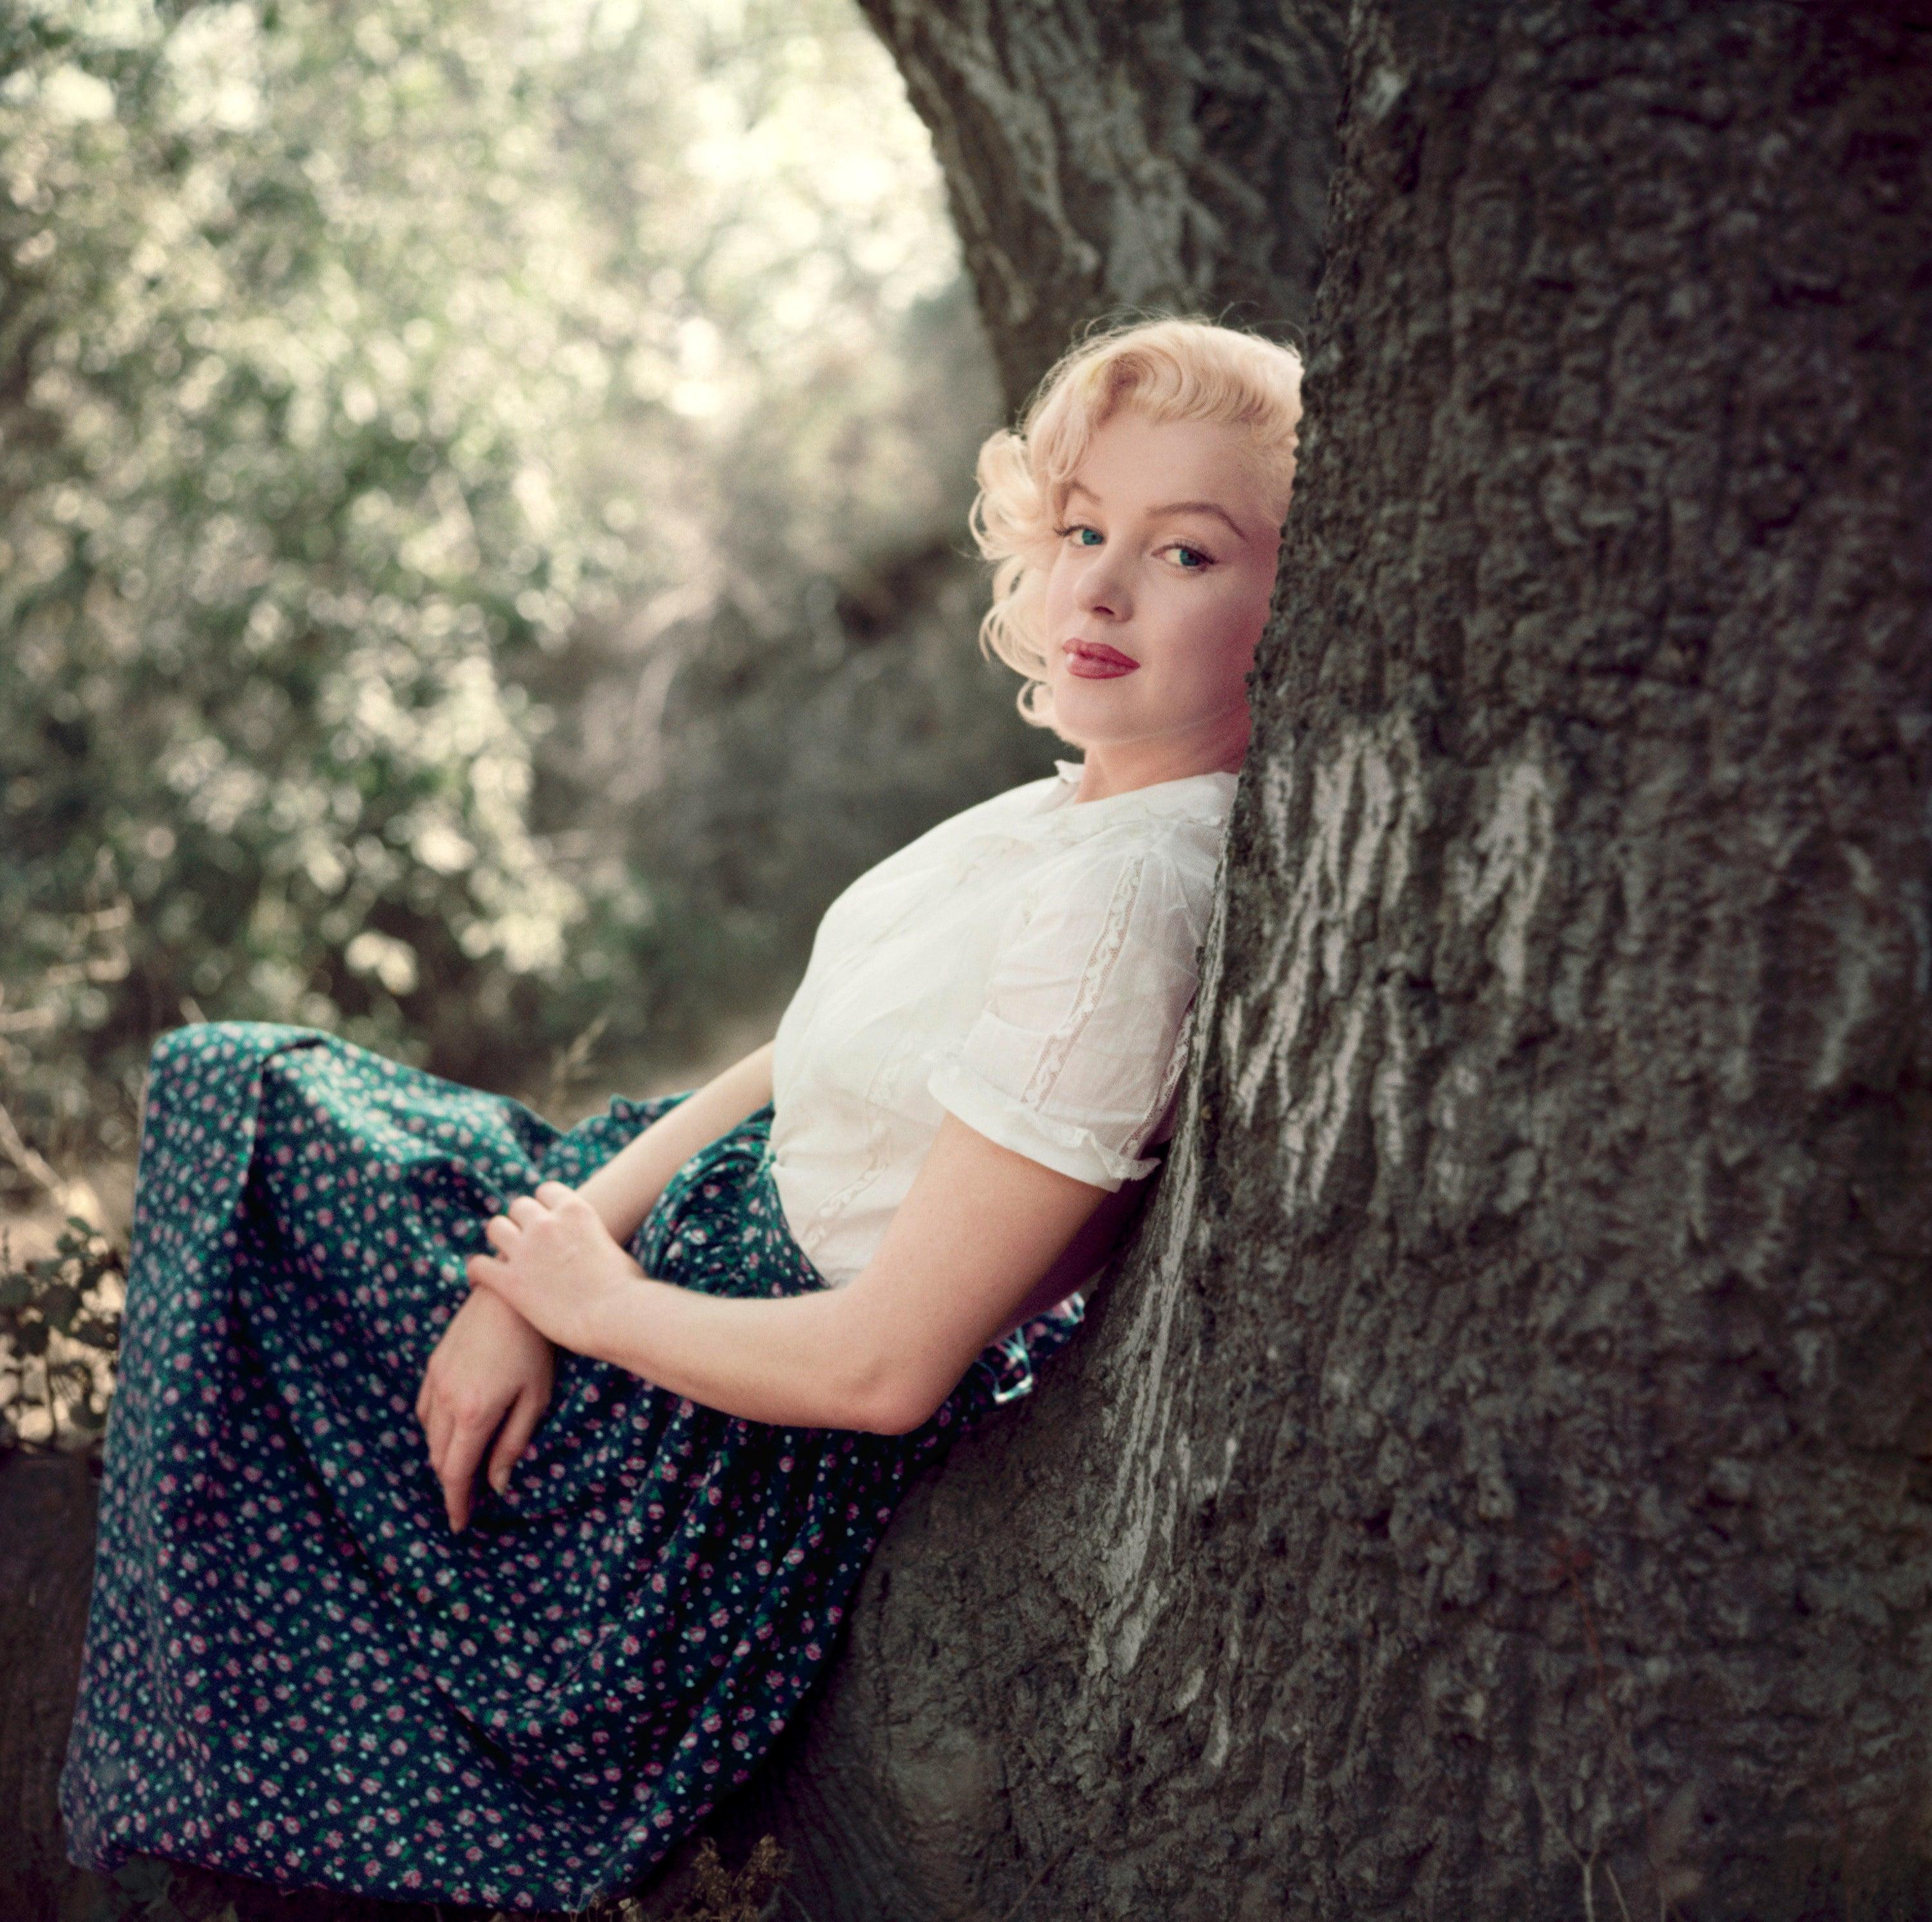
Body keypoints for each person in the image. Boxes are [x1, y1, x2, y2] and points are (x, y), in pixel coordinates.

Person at [57, 311, 1303, 1913]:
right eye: (1082, 530)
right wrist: (541, 1264)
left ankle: (194, 1797)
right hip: (656, 1231)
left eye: (1186, 553)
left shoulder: (1131, 897)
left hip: (711, 1427)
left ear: (1302, 599)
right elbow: (787, 1058)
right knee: (245, 1093)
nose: (1102, 590)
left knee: (243, 1117)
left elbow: (884, 1368)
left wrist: (590, 1304)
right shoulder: (1076, 803)